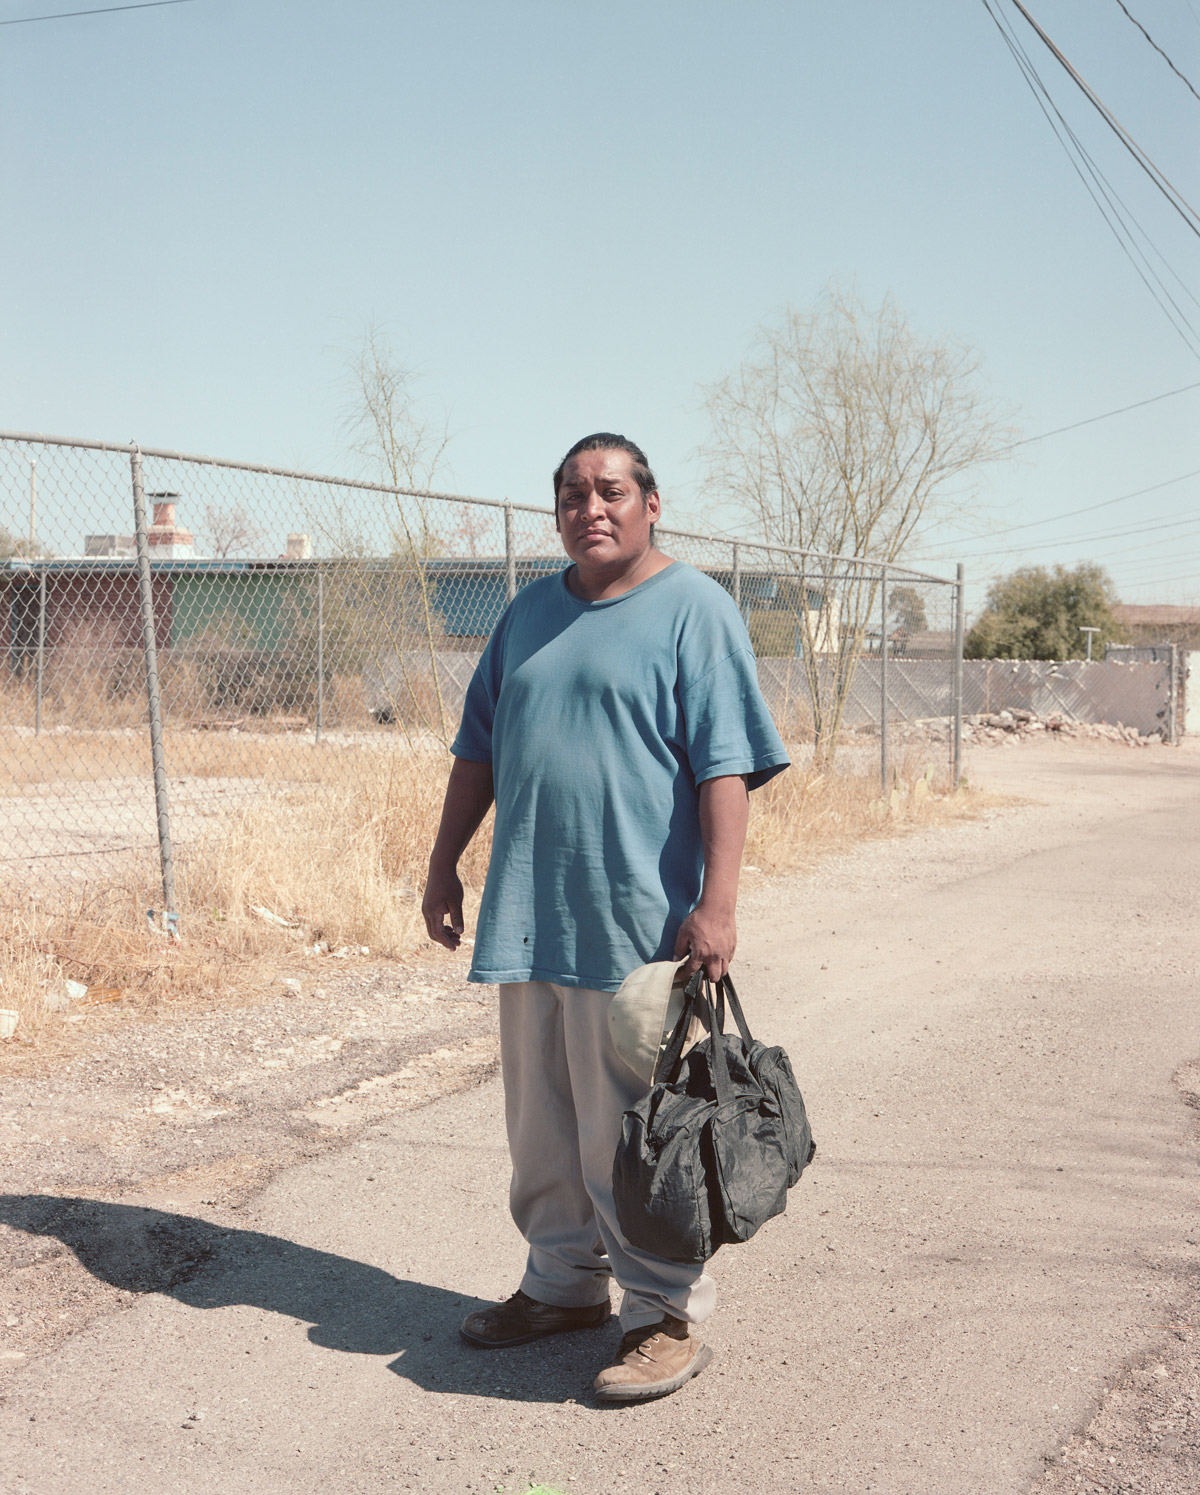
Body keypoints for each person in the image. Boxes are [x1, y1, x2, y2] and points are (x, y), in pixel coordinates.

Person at [421, 432, 789, 1402]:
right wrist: (443, 865)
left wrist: (717, 905)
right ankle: (562, 1285)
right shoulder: (528, 615)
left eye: (611, 490)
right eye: (573, 494)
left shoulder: (695, 610)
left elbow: (724, 767)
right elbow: (477, 749)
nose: (592, 508)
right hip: (529, 914)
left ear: (651, 504)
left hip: (636, 928)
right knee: (541, 1124)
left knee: (635, 1132)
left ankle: (663, 1313)